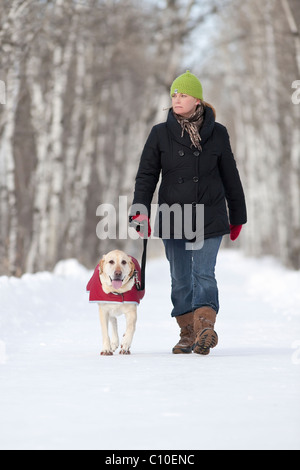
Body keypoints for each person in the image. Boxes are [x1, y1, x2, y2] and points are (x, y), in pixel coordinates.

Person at [130, 70, 247, 355]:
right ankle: (187, 332)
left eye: (183, 95)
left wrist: (238, 215)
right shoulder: (160, 133)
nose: (177, 99)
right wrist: (139, 211)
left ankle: (205, 327)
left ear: (197, 100)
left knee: (203, 273)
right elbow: (147, 175)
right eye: (174, 95)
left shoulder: (217, 133)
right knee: (180, 277)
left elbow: (230, 175)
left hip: (210, 214)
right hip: (173, 216)